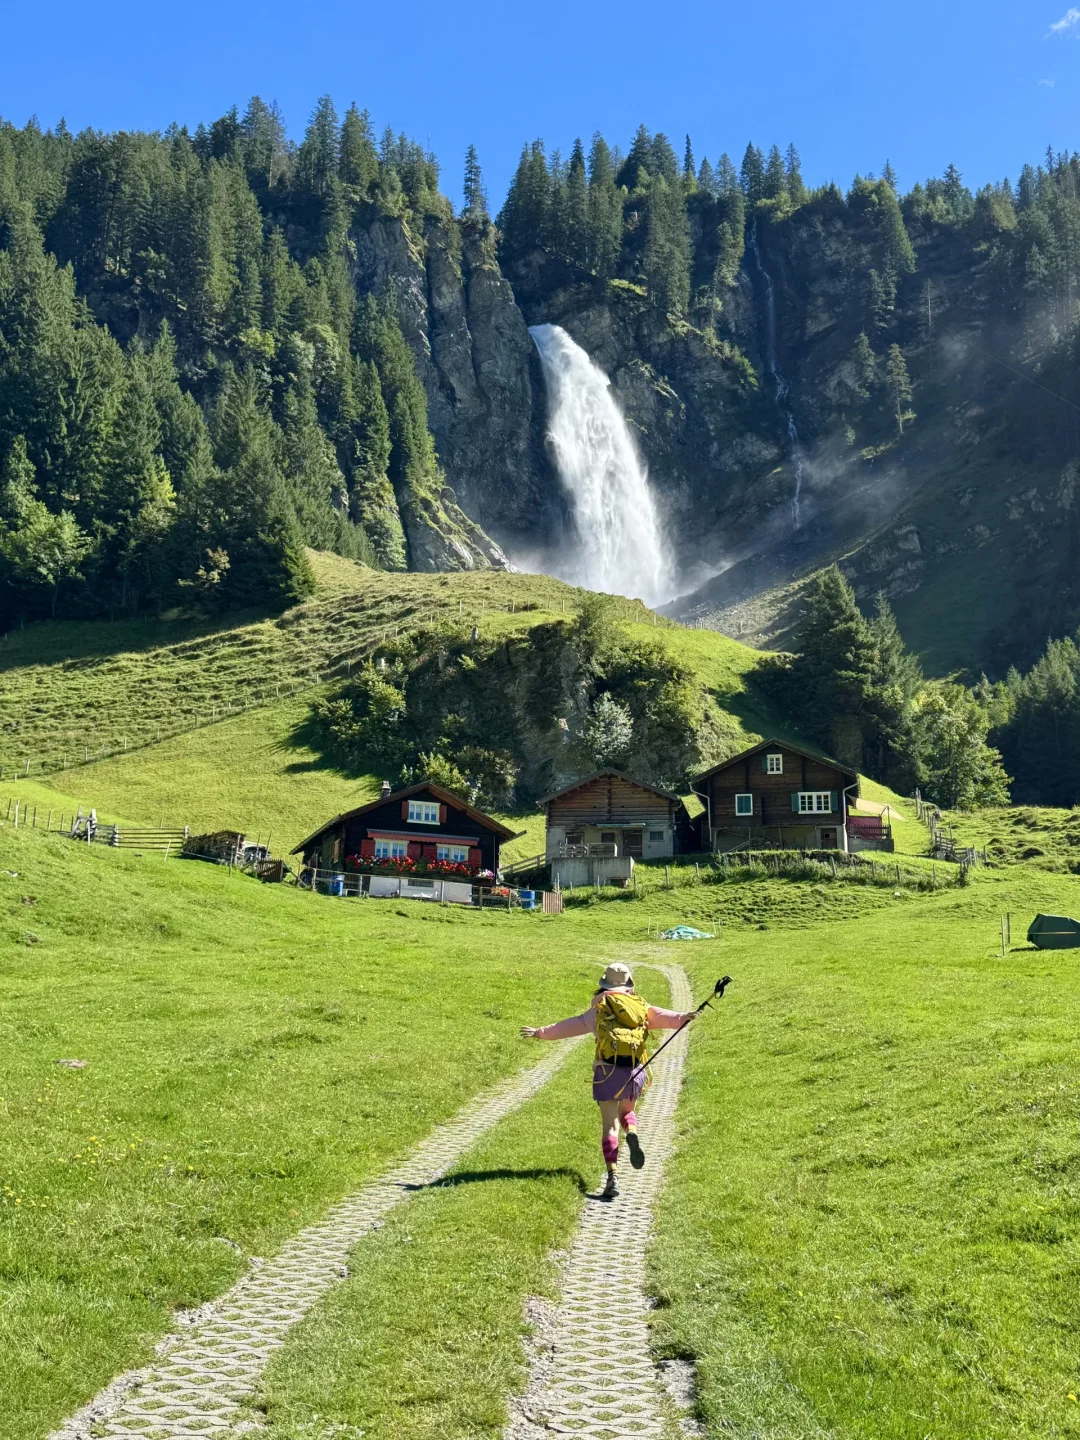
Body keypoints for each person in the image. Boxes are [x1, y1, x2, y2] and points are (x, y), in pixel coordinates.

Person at [520, 962, 696, 1199]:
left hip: (607, 1073)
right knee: (626, 1113)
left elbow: (567, 1027)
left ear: (603, 984)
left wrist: (540, 1032)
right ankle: (631, 1131)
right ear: (629, 983)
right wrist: (684, 1017)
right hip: (634, 1071)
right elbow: (667, 1017)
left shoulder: (599, 1010)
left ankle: (612, 1176)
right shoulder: (641, 1006)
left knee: (609, 1125)